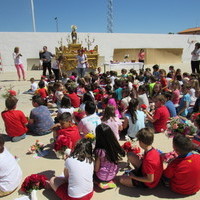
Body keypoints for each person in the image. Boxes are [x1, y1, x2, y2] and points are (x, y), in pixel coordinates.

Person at [94, 123, 125, 189]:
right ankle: (110, 181)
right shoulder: (115, 146)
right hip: (113, 174)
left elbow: (96, 169)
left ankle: (100, 183)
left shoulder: (99, 151)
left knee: (92, 174)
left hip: (101, 176)